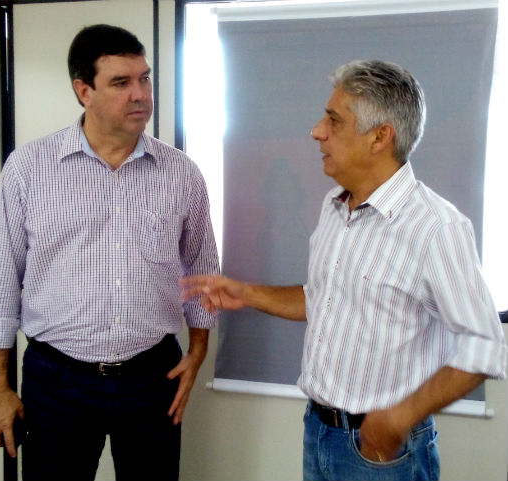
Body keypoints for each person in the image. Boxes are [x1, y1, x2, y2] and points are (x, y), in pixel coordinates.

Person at [181, 59, 506, 481]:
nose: (317, 131)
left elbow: (485, 344)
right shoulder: (334, 206)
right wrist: (246, 293)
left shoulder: (437, 228)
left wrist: (400, 416)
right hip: (319, 431)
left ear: (379, 137)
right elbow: (327, 299)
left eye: (334, 120)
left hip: (384, 454)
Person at [0, 24, 219, 481]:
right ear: (83, 91)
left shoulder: (181, 173)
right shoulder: (29, 168)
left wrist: (198, 350)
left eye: (144, 78)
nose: (140, 94)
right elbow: (0, 282)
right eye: (121, 83)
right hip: (57, 380)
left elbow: (203, 269)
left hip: (152, 377)